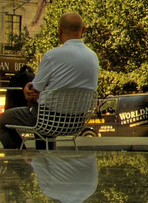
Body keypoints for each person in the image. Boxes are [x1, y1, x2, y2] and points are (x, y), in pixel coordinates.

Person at [0, 12, 99, 150]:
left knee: (4, 120)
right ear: (83, 30)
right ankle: (44, 162)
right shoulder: (93, 57)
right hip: (77, 122)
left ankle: (21, 160)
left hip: (48, 120)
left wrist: (29, 88)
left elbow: (35, 89)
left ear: (60, 30)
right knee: (44, 116)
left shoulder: (52, 56)